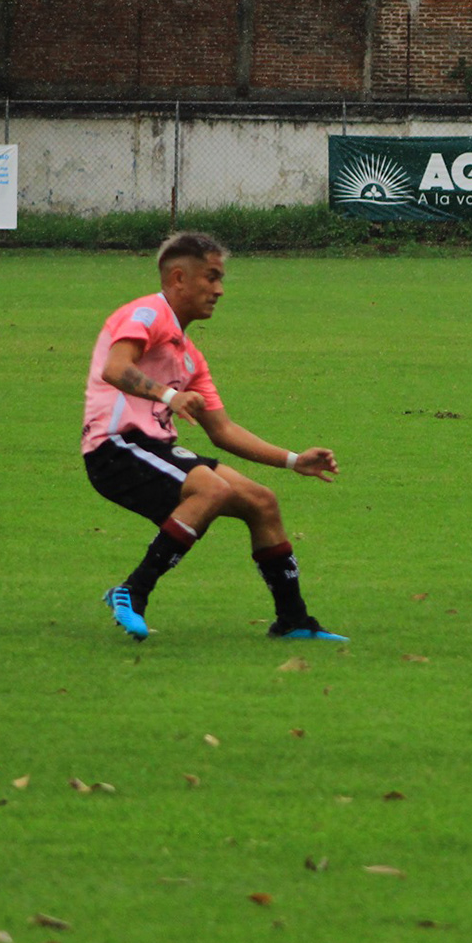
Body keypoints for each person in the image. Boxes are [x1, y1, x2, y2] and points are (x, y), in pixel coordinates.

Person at [84, 232, 347, 643]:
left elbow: (222, 430)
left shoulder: (190, 357)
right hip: (114, 449)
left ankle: (293, 620)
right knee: (212, 489)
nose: (220, 289)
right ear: (178, 278)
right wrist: (169, 396)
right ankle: (133, 591)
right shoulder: (146, 313)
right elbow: (115, 368)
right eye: (211, 277)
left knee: (261, 501)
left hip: (154, 450)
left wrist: (295, 460)